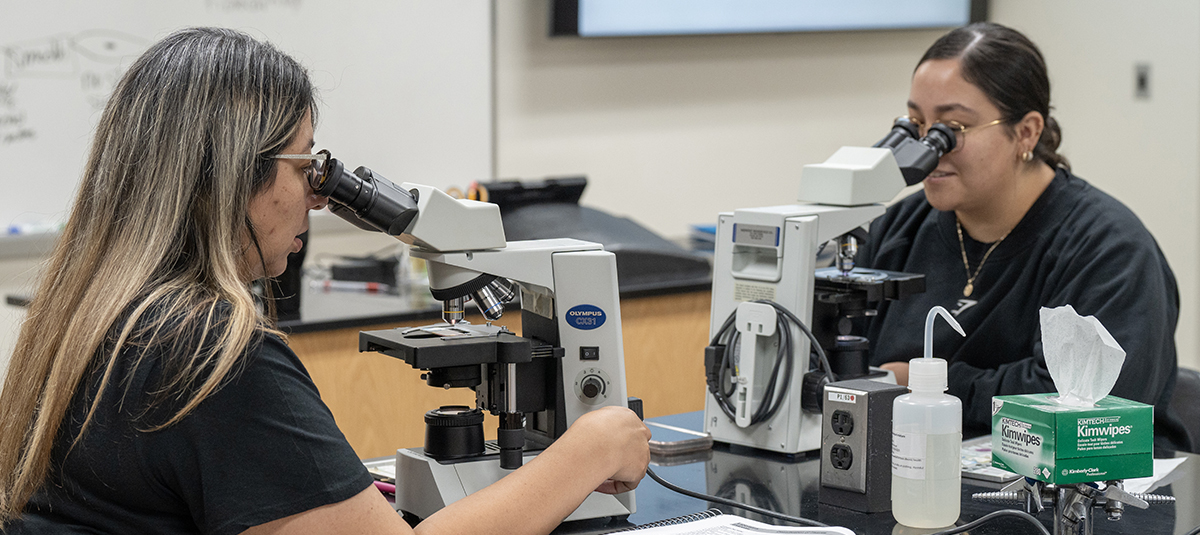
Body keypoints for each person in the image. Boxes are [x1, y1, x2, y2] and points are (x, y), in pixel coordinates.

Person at [0, 27, 651, 534]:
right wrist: (590, 449)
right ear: (234, 173)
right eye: (306, 166)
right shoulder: (211, 354)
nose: (319, 197)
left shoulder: (91, 317)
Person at [856, 22, 1192, 452]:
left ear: (1027, 132)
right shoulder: (899, 228)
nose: (926, 148)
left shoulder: (1110, 250)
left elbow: (1088, 409)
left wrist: (924, 383)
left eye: (951, 129)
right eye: (916, 124)